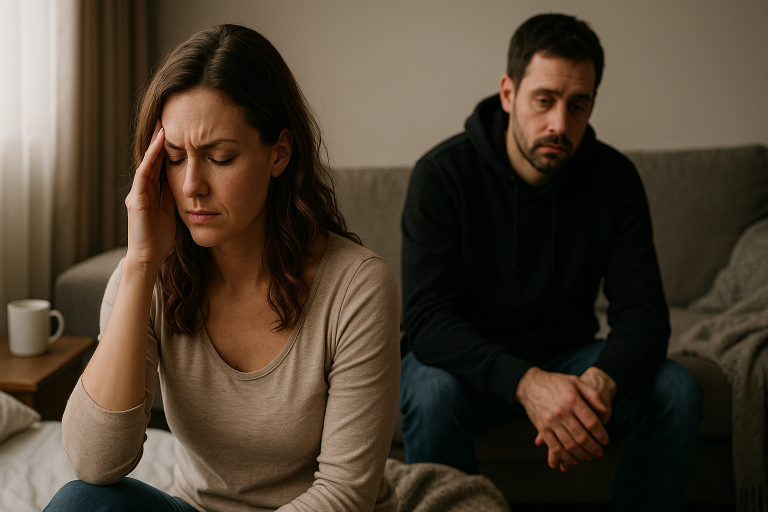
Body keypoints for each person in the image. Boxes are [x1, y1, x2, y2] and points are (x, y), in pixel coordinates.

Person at [45, 24, 400, 512]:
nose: (192, 184)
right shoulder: (148, 278)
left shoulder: (357, 288)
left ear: (279, 152)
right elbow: (94, 463)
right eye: (174, 158)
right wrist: (141, 265)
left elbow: (346, 493)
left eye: (219, 157)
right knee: (78, 502)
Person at [399, 13, 702, 510]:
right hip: (463, 368)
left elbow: (644, 315)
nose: (560, 124)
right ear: (508, 93)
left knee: (677, 391)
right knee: (431, 394)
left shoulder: (615, 179)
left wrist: (596, 385)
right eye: (544, 101)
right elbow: (428, 322)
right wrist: (528, 384)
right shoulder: (441, 176)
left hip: (569, 357)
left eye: (577, 105)